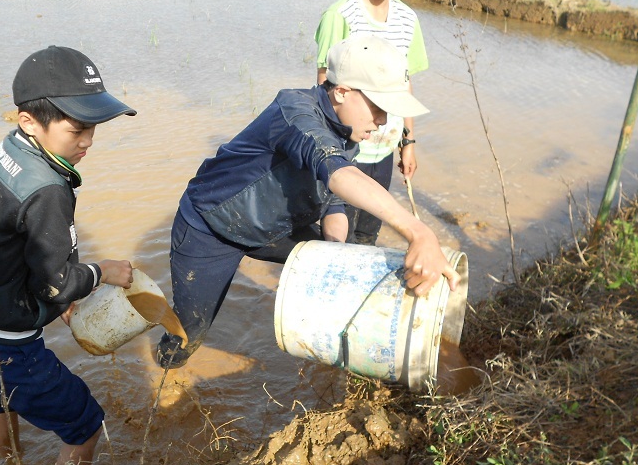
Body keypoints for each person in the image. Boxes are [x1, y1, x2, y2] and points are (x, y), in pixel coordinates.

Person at [155, 35, 460, 369]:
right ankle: (166, 375)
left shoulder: (348, 131)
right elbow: (338, 173)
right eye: (378, 108)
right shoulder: (295, 112)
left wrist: (335, 249)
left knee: (349, 268)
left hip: (273, 225)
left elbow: (333, 202)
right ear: (342, 92)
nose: (384, 121)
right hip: (210, 227)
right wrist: (418, 231)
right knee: (189, 332)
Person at [0, 46, 137, 465]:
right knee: (85, 425)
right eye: (77, 129)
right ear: (29, 120)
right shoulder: (49, 189)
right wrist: (101, 271)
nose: (88, 141)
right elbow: (57, 283)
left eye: (93, 128)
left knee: (1, 397)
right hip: (8, 341)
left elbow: (6, 248)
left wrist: (62, 294)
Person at [315, 0, 428, 245]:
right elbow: (324, 83)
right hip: (347, 150)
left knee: (368, 233)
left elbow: (405, 84)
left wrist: (407, 141)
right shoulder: (340, 14)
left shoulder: (407, 19)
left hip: (384, 149)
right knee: (339, 234)